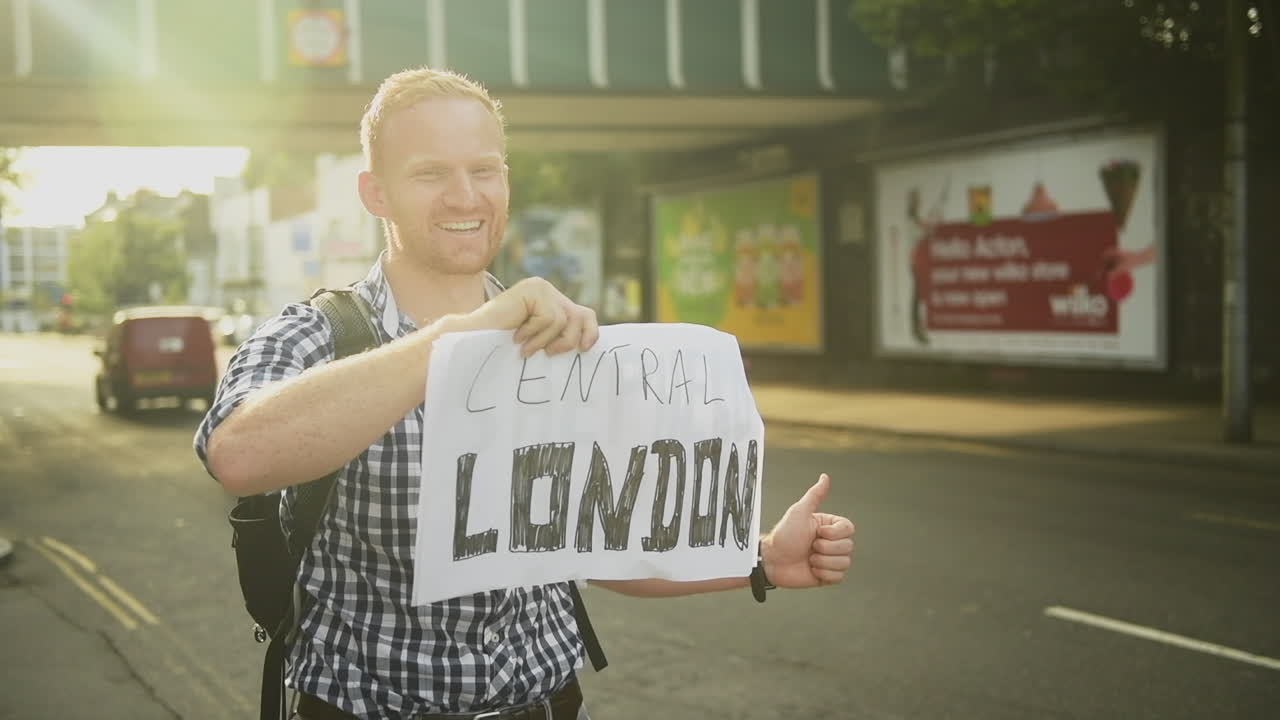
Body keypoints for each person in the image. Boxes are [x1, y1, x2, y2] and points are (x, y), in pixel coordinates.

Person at [194, 66, 856, 720]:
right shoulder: (315, 334)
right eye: (430, 174)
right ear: (376, 193)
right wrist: (463, 339)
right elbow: (237, 454)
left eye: (484, 170)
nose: (465, 196)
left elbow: (597, 545)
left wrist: (762, 558)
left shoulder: (558, 339)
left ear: (505, 179)